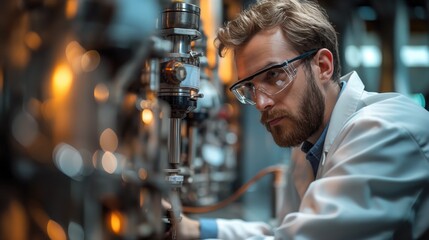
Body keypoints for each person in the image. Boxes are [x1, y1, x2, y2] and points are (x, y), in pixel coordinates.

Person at [172, 0, 429, 239]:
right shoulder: (306, 145)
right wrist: (193, 228)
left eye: (274, 76)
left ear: (323, 66)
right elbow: (285, 229)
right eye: (250, 88)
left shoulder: (383, 130)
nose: (261, 103)